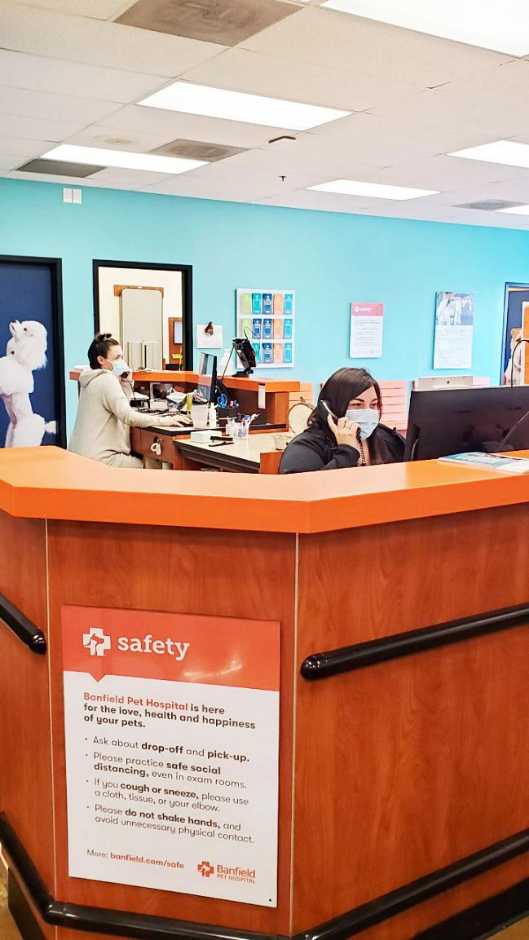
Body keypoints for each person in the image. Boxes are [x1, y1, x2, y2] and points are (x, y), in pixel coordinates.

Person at [69, 333, 190, 468]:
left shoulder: (91, 379)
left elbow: (121, 406)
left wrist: (126, 383)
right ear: (101, 360)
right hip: (101, 459)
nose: (122, 362)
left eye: (122, 357)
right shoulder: (107, 379)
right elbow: (128, 416)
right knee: (152, 466)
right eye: (117, 358)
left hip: (81, 457)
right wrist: (166, 421)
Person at [279, 367, 404, 473]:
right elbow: (306, 490)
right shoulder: (305, 446)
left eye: (373, 404)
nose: (368, 412)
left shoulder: (387, 439)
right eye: (357, 405)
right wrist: (347, 452)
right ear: (330, 409)